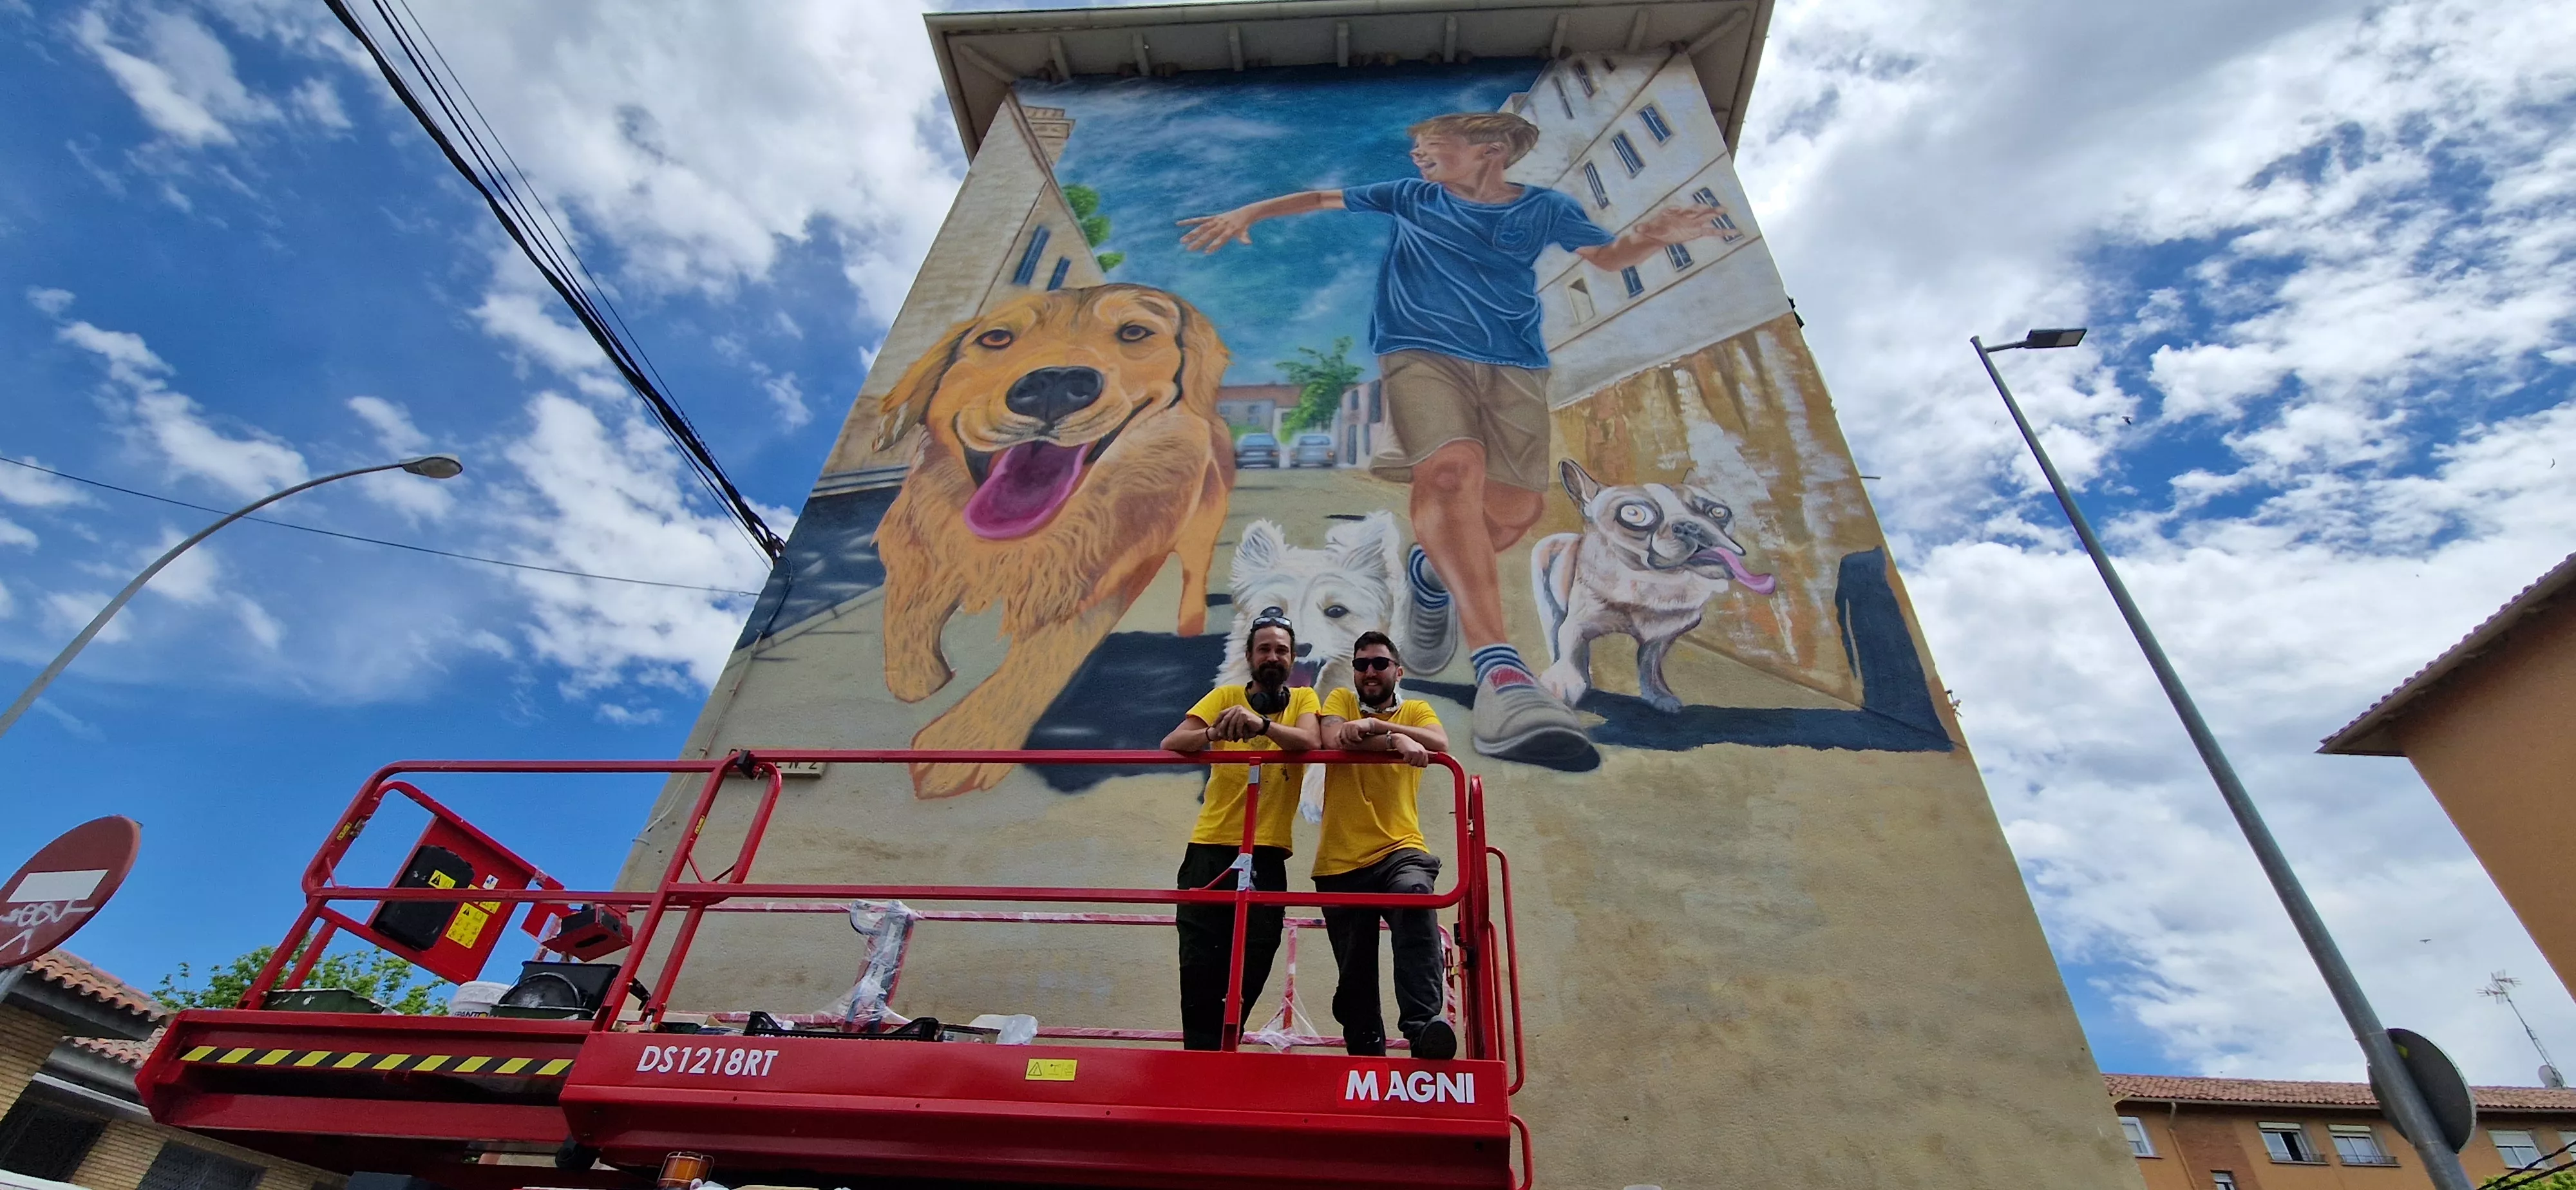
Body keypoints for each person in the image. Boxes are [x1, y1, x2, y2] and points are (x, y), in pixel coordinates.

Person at [1179, 111, 1734, 770]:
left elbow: (1609, 258)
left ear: (1490, 150)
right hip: (1419, 352)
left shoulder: (1545, 209)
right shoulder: (1411, 196)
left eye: (1432, 146)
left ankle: (1429, 574)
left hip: (1513, 362)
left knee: (1511, 515)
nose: (1417, 156)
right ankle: (1502, 674)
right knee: (1448, 473)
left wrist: (1650, 235)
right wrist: (1253, 211)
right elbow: (1323, 198)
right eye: (1415, 147)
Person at [1159, 613, 1323, 1051]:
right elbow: (1174, 742)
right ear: (1250, 656)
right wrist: (1216, 731)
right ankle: (1201, 1057)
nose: (1273, 656)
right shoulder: (1226, 696)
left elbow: (1309, 742)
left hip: (1267, 854)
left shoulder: (1305, 699)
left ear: (1291, 659)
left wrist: (1262, 726)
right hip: (1210, 849)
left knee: (1256, 955)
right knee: (1199, 963)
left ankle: (1221, 1047)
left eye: (1281, 650)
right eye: (1265, 648)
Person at [1314, 630, 1455, 1059]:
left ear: (1398, 670)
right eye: (1361, 665)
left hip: (1400, 847)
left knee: (1414, 896)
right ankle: (1365, 1051)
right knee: (1354, 970)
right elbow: (1334, 738)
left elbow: (1440, 743)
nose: (1369, 672)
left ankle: (1424, 1028)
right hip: (1341, 859)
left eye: (1379, 663)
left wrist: (1378, 726)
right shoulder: (1339, 700)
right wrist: (1397, 739)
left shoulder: (1416, 709)